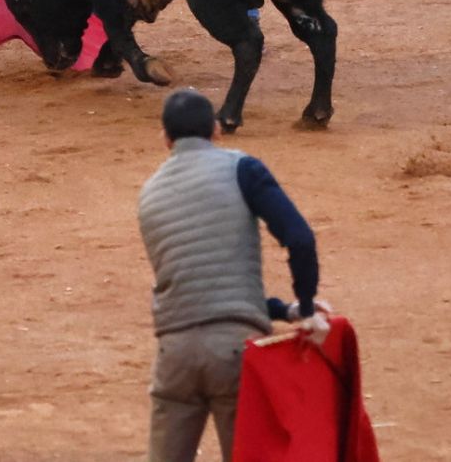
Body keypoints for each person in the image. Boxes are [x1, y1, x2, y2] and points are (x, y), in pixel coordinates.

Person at [137, 88, 329, 462]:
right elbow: (299, 239)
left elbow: (200, 284)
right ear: (216, 130)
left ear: (165, 139)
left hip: (174, 354)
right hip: (236, 352)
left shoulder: (149, 195)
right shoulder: (242, 169)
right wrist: (306, 308)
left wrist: (284, 311)